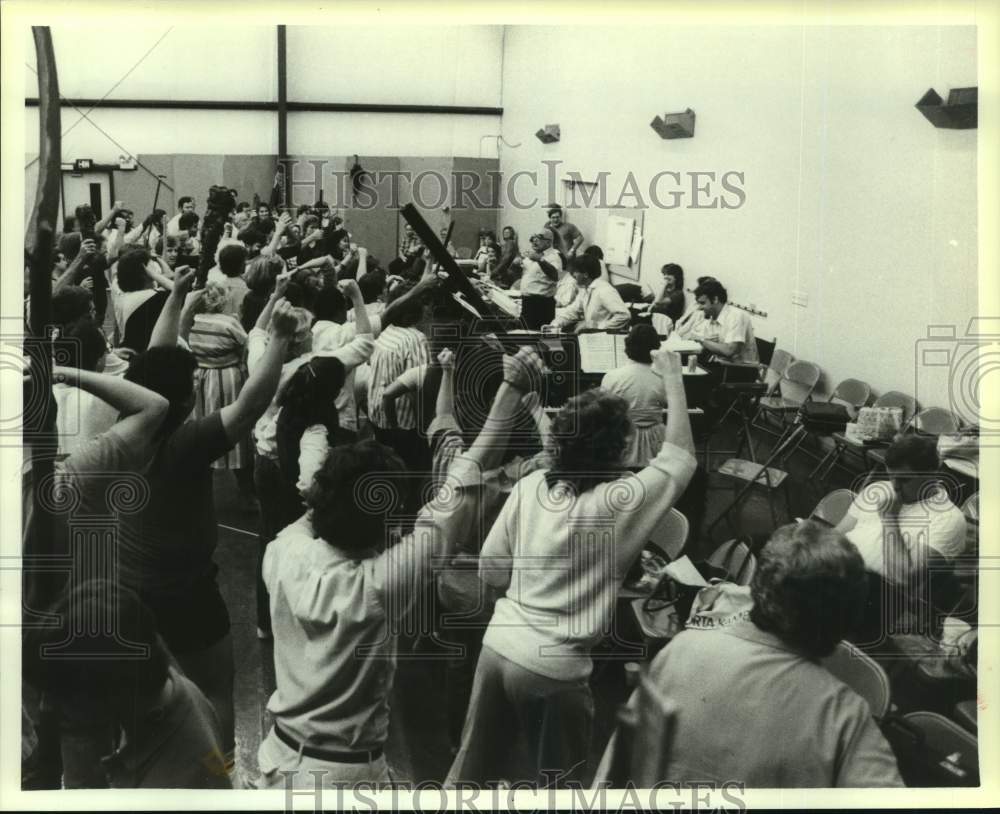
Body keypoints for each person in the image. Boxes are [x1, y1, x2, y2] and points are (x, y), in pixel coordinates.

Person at [256, 347, 549, 788]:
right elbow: (457, 491)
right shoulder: (377, 585)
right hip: (345, 775)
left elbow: (318, 504)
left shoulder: (281, 550)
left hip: (278, 760)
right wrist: (510, 391)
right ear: (387, 523)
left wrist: (341, 479)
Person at [447, 348, 697, 787]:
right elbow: (680, 458)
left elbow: (490, 569)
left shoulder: (529, 487)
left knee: (470, 772)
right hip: (555, 668)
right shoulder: (621, 501)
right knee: (559, 788)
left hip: (498, 647)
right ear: (619, 449)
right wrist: (673, 377)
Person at [116, 270, 301, 768]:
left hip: (127, 586)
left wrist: (176, 297)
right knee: (216, 683)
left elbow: (157, 365)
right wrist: (280, 339)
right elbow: (248, 408)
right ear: (183, 398)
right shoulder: (185, 442)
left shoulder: (124, 427)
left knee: (138, 689)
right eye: (191, 379)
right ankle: (217, 771)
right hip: (184, 589)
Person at [597, 522, 903, 788]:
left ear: (756, 589)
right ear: (842, 619)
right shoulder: (842, 714)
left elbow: (618, 766)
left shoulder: (684, 647)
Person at [250, 276, 376, 639]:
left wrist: (274, 295)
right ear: (303, 337)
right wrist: (355, 296)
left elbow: (256, 334)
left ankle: (264, 621)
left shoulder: (263, 360)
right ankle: (295, 618)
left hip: (265, 459)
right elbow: (365, 343)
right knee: (303, 544)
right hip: (301, 465)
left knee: (267, 539)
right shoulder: (321, 366)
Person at [22, 580, 231, 789]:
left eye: (60, 693)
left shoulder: (164, 788)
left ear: (108, 693)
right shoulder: (175, 686)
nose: (46, 706)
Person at [835, 434, 967, 641]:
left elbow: (904, 578)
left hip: (878, 596)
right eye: (891, 476)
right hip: (838, 572)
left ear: (932, 473)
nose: (895, 486)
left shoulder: (948, 519)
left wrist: (889, 518)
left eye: (905, 479)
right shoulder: (878, 489)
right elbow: (836, 536)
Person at [185, 282, 253, 486]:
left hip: (200, 377)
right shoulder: (229, 323)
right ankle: (245, 487)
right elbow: (246, 346)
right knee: (235, 426)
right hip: (228, 377)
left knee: (204, 424)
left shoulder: (191, 321)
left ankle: (204, 476)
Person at [600, 325, 669, 467]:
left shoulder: (612, 376)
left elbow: (604, 411)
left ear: (628, 346)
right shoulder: (664, 377)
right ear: (656, 348)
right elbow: (666, 402)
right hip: (656, 442)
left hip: (623, 441)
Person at [676, 278, 758, 364]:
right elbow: (692, 337)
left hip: (742, 369)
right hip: (720, 364)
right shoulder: (712, 317)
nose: (699, 307)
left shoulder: (736, 316)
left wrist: (701, 340)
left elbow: (729, 350)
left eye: (703, 303)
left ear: (715, 299)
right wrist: (704, 341)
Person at [112, 249, 175, 353]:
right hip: (144, 353)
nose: (155, 267)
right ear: (144, 271)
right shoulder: (147, 297)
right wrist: (155, 275)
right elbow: (179, 291)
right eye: (151, 265)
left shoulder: (129, 295)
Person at [549, 254, 630, 333]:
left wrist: (597, 327)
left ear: (585, 274)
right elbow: (573, 311)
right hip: (591, 335)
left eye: (576, 272)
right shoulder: (585, 289)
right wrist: (555, 324)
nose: (573, 275)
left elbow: (624, 315)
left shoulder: (604, 290)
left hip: (604, 336)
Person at [518, 230, 563, 330]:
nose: (534, 241)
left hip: (541, 305)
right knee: (525, 336)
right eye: (534, 238)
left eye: (539, 238)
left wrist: (540, 260)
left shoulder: (554, 256)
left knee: (539, 340)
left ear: (548, 242)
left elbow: (555, 275)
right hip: (527, 303)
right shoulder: (533, 254)